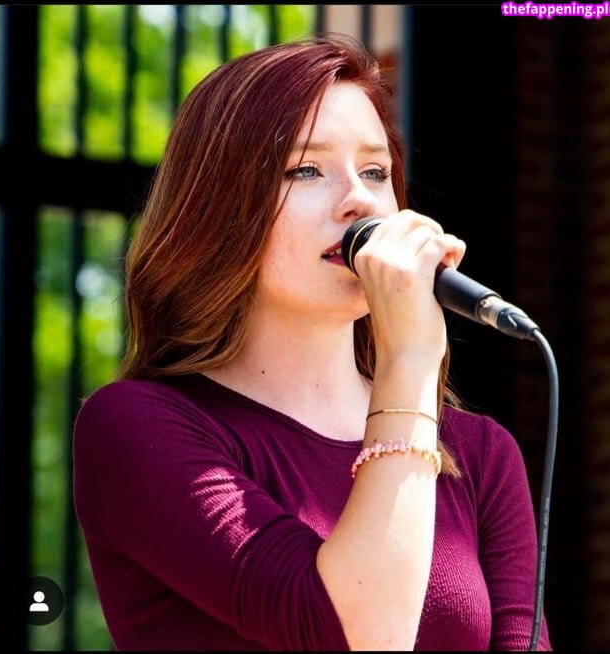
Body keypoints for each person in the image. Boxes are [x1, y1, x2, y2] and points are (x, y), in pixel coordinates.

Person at [72, 33, 552, 651]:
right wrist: (408, 359)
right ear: (221, 210)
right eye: (306, 169)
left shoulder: (480, 454)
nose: (359, 200)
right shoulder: (137, 426)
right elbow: (349, 633)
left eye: (376, 172)